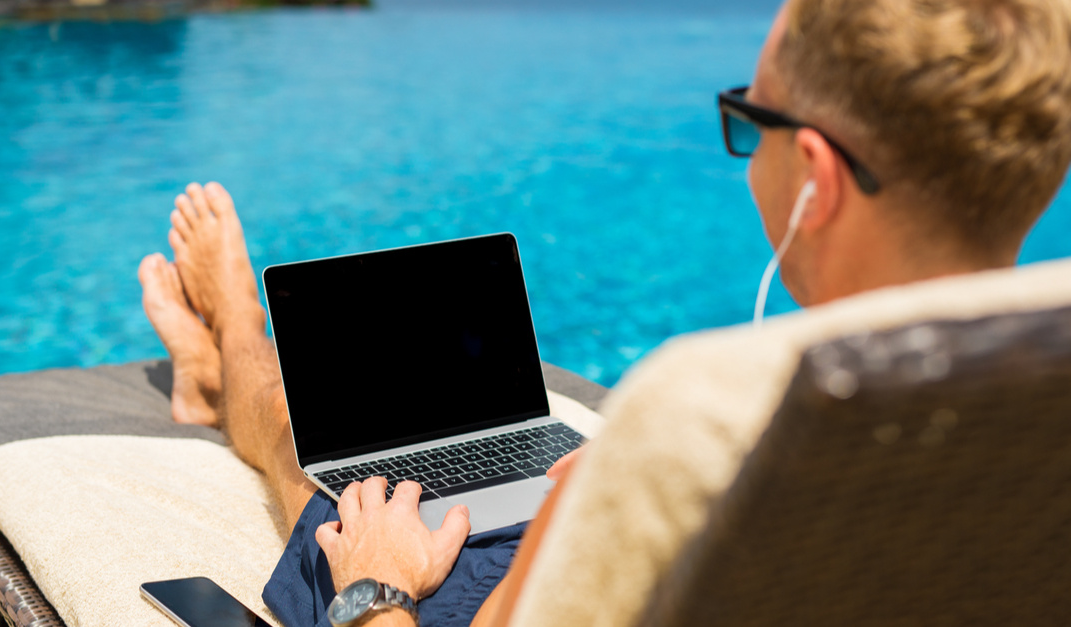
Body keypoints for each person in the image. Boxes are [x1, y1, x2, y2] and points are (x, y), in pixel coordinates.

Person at [136, 0, 1071, 625]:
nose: (749, 145)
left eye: (751, 118)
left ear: (815, 180)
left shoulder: (705, 406)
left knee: (337, 501)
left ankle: (233, 340)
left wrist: (375, 587)